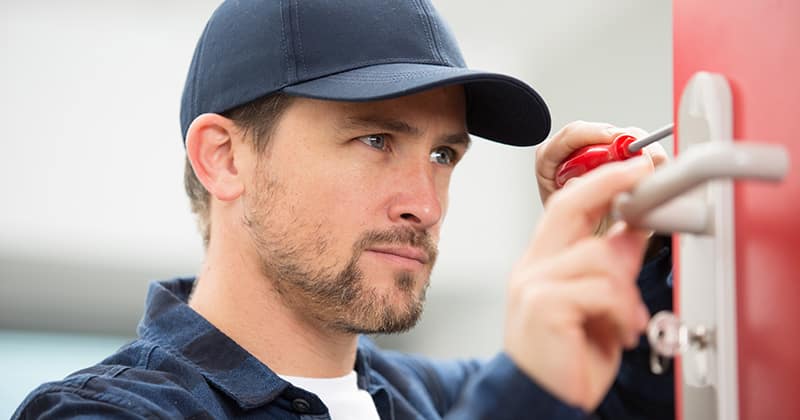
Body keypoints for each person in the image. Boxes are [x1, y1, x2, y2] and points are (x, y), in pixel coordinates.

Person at [14, 1, 673, 419]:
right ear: (225, 158)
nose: (425, 204)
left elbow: (636, 397)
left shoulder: (441, 401)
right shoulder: (108, 414)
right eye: (376, 140)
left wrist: (635, 254)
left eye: (444, 155)